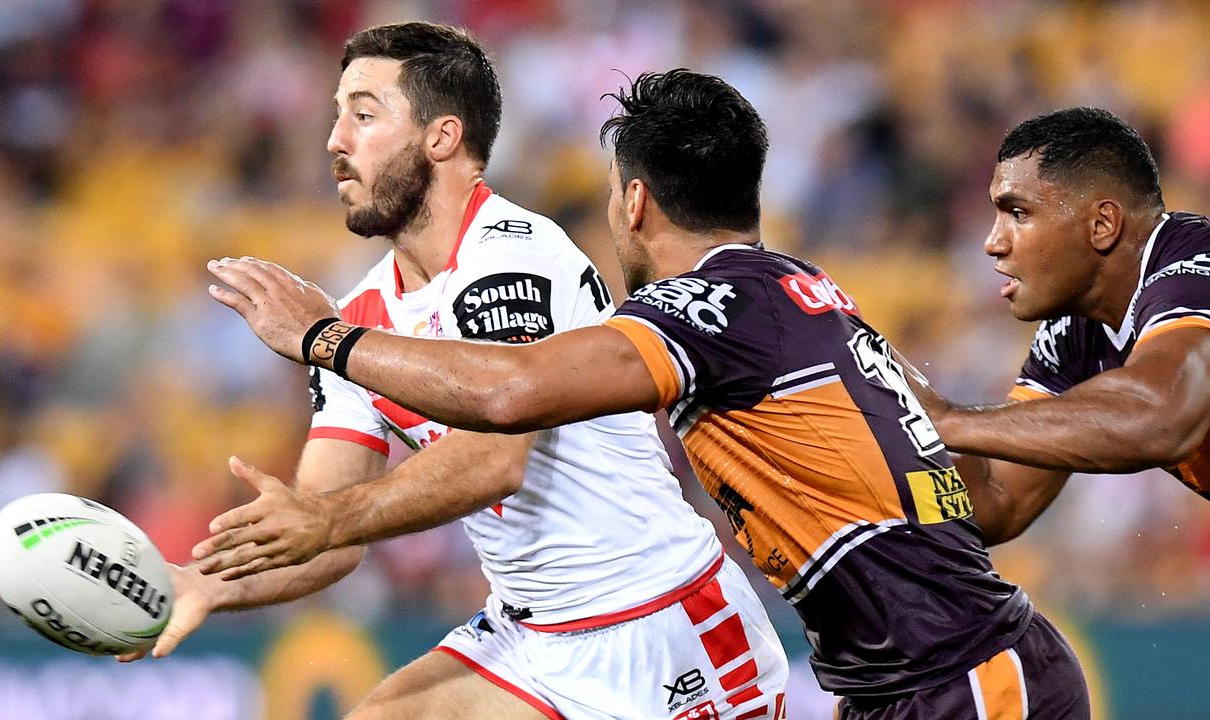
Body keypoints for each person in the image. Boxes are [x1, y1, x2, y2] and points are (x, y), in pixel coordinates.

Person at [201, 69, 1090, 719]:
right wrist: (1066, 352)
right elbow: (989, 506)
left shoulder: (699, 309)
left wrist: (322, 339)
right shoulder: (801, 291)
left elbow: (511, 399)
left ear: (632, 205)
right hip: (924, 677)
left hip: (953, 679)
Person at [132, 23, 790, 720]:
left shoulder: (513, 252)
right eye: (335, 115)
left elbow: (492, 459)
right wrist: (205, 584)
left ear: (441, 138)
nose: (335, 141)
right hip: (530, 639)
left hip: (662, 625)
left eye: (363, 114)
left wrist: (324, 514)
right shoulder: (358, 316)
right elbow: (325, 534)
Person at [903, 107, 1210, 545]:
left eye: (1018, 213)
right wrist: (880, 462)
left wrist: (943, 419)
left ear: (1102, 224)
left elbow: (1159, 417)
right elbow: (999, 496)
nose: (993, 242)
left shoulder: (1196, 268)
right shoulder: (1075, 333)